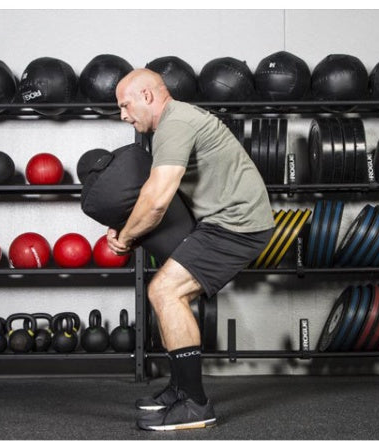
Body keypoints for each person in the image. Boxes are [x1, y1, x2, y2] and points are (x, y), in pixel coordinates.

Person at [109, 68, 275, 431]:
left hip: (238, 225)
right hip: (219, 221)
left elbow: (157, 201)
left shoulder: (176, 124)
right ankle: (180, 389)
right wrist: (125, 224)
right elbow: (154, 192)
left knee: (165, 291)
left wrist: (125, 238)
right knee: (167, 294)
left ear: (147, 96)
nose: (122, 115)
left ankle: (196, 405)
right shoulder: (172, 123)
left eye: (125, 105)